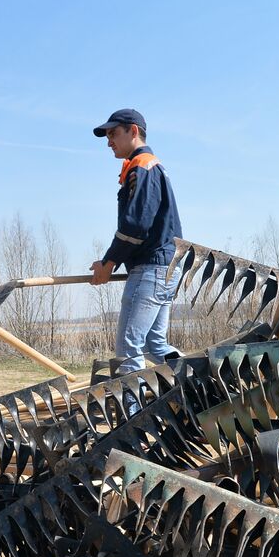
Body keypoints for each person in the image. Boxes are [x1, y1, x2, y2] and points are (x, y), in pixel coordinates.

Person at [88, 109, 184, 375]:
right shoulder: (152, 167)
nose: (108, 141)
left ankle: (135, 415)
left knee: (129, 350)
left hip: (150, 270)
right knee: (156, 346)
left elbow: (136, 226)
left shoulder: (142, 166)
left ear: (133, 131)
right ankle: (199, 384)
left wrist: (109, 263)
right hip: (165, 268)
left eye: (113, 134)